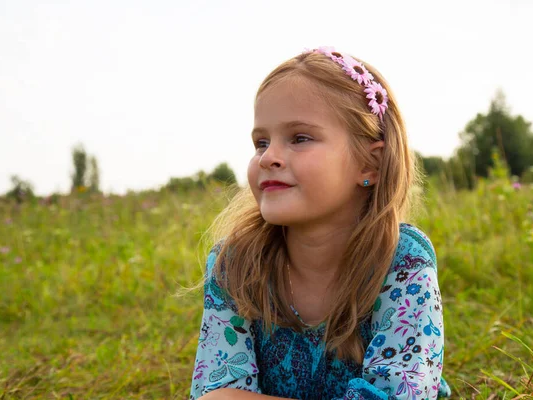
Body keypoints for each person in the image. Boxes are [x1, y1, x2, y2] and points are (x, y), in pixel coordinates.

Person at [189, 46, 451, 400]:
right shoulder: (234, 264)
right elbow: (216, 392)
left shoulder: (401, 261)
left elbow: (399, 394)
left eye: (299, 138)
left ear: (369, 165)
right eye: (261, 142)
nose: (269, 157)